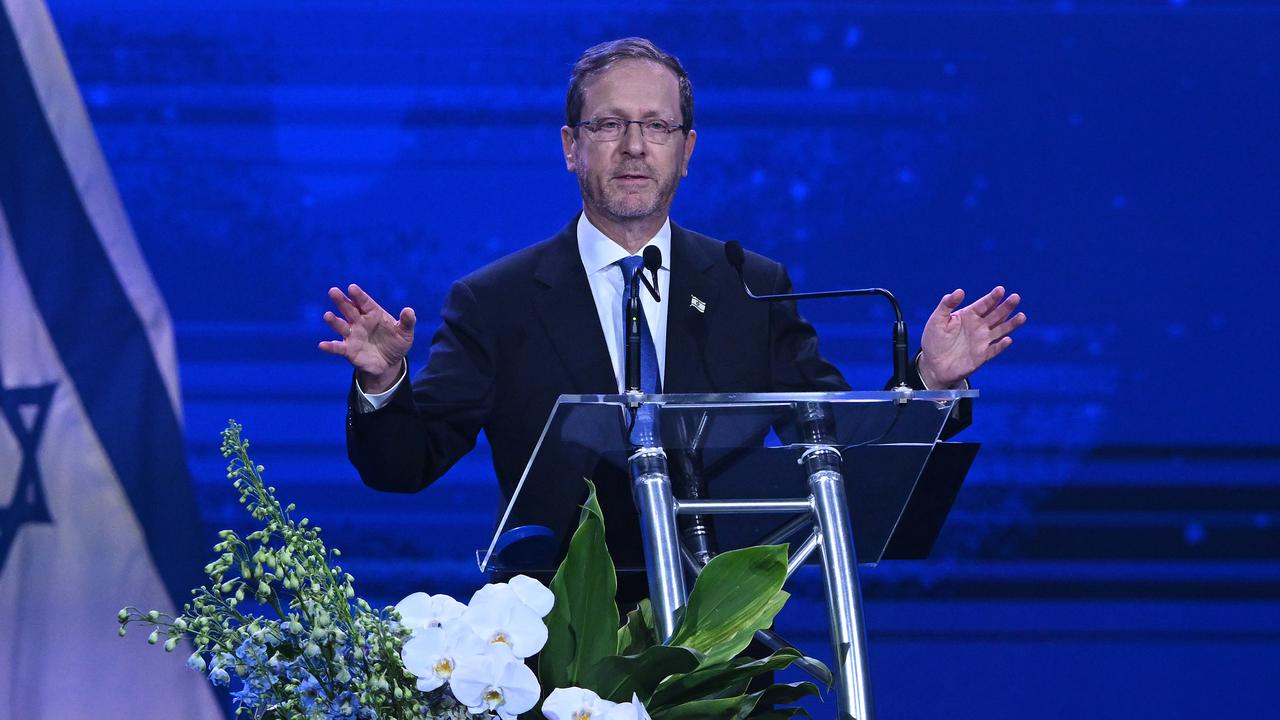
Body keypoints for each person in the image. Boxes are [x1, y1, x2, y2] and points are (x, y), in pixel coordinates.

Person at [320, 38, 1025, 573]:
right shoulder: (496, 301)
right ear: (571, 147)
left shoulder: (750, 285)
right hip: (561, 652)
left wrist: (930, 383)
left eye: (656, 127)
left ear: (686, 151)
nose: (633, 147)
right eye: (608, 126)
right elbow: (403, 467)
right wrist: (384, 386)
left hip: (723, 652)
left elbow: (834, 451)